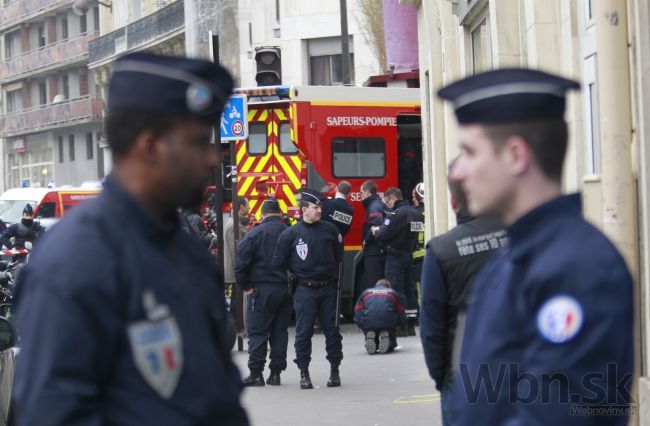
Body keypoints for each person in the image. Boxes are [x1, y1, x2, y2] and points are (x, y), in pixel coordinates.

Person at [12, 52, 249, 425]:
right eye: (199, 143)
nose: (210, 160)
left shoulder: (182, 247)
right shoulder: (77, 260)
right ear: (150, 146)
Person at [439, 68, 633, 425]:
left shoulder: (576, 267)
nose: (457, 172)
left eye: (469, 151)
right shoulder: (516, 258)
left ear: (515, 155)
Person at [420, 158, 506, 426]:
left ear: (454, 202)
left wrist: (442, 378)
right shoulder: (522, 236)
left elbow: (432, 328)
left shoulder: (441, 251)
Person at [273, 190, 344, 390]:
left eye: (320, 207)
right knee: (303, 333)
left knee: (332, 331)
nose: (319, 210)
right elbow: (279, 261)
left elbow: (339, 259)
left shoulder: (330, 230)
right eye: (315, 208)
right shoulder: (290, 234)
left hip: (328, 288)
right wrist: (290, 278)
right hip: (304, 289)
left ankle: (335, 370)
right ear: (304, 209)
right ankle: (304, 373)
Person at [235, 198, 291, 387]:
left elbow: (241, 264)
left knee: (258, 332)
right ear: (279, 213)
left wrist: (245, 286)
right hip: (284, 289)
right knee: (279, 332)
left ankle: (256, 374)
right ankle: (275, 373)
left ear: (263, 214)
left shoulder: (255, 233)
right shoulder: (290, 232)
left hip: (260, 289)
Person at [371, 187, 417, 303]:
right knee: (409, 288)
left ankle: (399, 316)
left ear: (392, 199)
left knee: (395, 288)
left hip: (395, 256)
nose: (387, 205)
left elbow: (384, 233)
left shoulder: (396, 213)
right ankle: (411, 316)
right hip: (409, 254)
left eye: (387, 202)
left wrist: (376, 231)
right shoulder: (415, 212)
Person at [354, 279, 406, 355]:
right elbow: (401, 311)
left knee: (371, 329)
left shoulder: (365, 293)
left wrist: (362, 327)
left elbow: (358, 311)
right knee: (390, 337)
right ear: (388, 286)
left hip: (369, 323)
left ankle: (371, 338)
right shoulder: (392, 293)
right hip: (388, 323)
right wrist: (401, 326)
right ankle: (389, 341)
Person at [405, 182, 426, 336]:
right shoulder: (430, 212)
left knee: (418, 290)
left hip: (417, 256)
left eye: (414, 196)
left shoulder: (415, 213)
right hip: (427, 255)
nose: (413, 199)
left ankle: (422, 316)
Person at [361, 180, 386, 287]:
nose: (361, 196)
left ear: (367, 192)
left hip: (374, 252)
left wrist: (366, 240)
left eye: (361, 193)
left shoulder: (374, 206)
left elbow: (376, 226)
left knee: (373, 283)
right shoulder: (380, 204)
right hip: (379, 251)